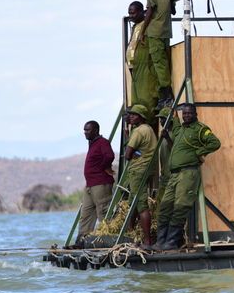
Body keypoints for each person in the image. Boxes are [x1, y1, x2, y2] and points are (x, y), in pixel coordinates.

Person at [154, 104, 221, 251]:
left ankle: (171, 242)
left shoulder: (200, 129)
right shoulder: (180, 129)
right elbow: (175, 121)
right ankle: (160, 242)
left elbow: (215, 143)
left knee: (180, 207)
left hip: (188, 174)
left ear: (195, 114)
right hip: (174, 175)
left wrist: (199, 152)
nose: (186, 116)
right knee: (164, 207)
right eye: (184, 114)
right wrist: (173, 114)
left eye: (189, 113)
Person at [141, 0, 176, 109]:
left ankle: (166, 95)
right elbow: (173, 11)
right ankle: (164, 94)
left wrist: (143, 29)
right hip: (166, 31)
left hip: (154, 31)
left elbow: (150, 10)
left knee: (158, 64)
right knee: (165, 62)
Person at [123, 104, 157, 246]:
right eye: (130, 114)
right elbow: (142, 150)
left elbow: (127, 155)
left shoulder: (138, 131)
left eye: (134, 114)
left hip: (138, 170)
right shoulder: (148, 129)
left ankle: (147, 241)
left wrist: (134, 154)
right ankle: (131, 233)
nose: (130, 116)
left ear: (141, 117)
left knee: (141, 204)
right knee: (133, 201)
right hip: (147, 169)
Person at [78, 120, 115, 238]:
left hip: (100, 183)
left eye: (88, 130)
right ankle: (83, 240)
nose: (85, 132)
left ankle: (107, 238)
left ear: (96, 130)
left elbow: (109, 156)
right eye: (84, 130)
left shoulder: (102, 142)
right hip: (90, 184)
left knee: (103, 212)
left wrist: (103, 168)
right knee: (86, 213)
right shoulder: (92, 143)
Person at [127, 1, 158, 122]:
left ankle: (148, 123)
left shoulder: (148, 25)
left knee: (147, 99)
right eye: (129, 13)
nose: (131, 16)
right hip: (134, 67)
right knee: (136, 100)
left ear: (141, 12)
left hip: (146, 66)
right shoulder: (135, 26)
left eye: (133, 13)